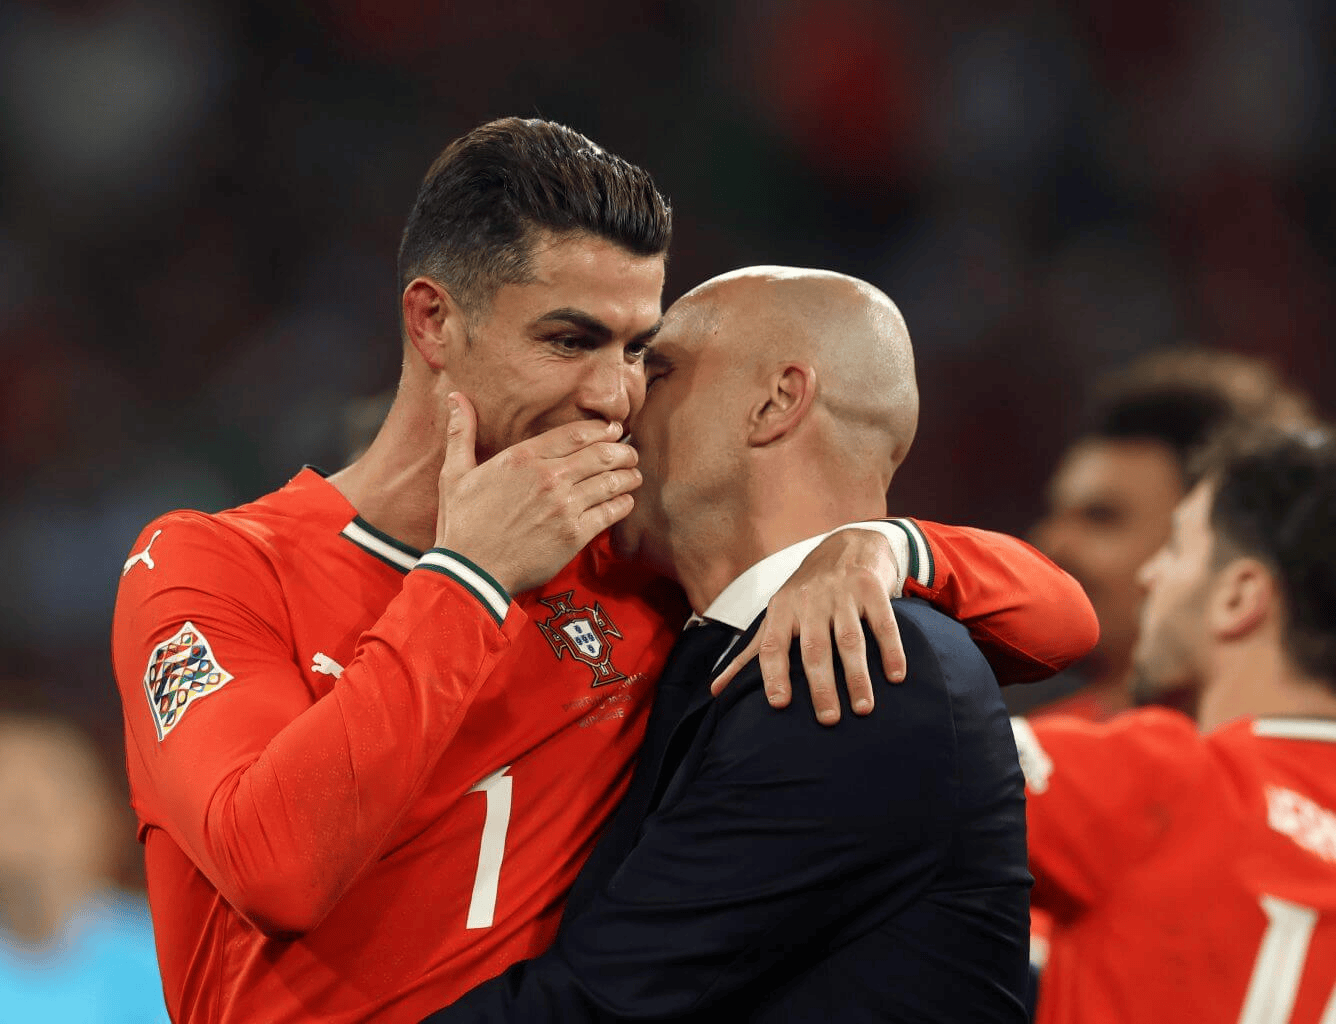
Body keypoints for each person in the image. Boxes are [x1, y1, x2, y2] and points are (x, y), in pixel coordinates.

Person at [111, 117, 1096, 1023]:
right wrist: (467, 576)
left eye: (637, 350)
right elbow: (276, 866)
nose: (615, 394)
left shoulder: (623, 564)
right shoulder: (211, 567)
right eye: (571, 340)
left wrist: (883, 547)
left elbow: (1061, 623)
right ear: (433, 321)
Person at [427, 267, 1034, 1021]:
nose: (620, 402)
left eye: (657, 369)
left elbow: (600, 1002)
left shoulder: (860, 663)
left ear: (776, 402)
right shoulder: (716, 648)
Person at [1012, 426, 1336, 1024]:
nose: (1150, 575)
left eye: (1178, 547)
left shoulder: (1164, 781)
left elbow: (895, 755)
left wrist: (897, 550)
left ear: (1239, 596)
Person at [1022, 349, 1314, 720]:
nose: (1051, 544)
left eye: (1101, 517)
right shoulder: (1031, 747)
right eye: (1055, 514)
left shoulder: (1309, 743)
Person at [0, 709, 168, 1024]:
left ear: (110, 820)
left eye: (54, 802)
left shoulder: (183, 967)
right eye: (7, 809)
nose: (30, 833)